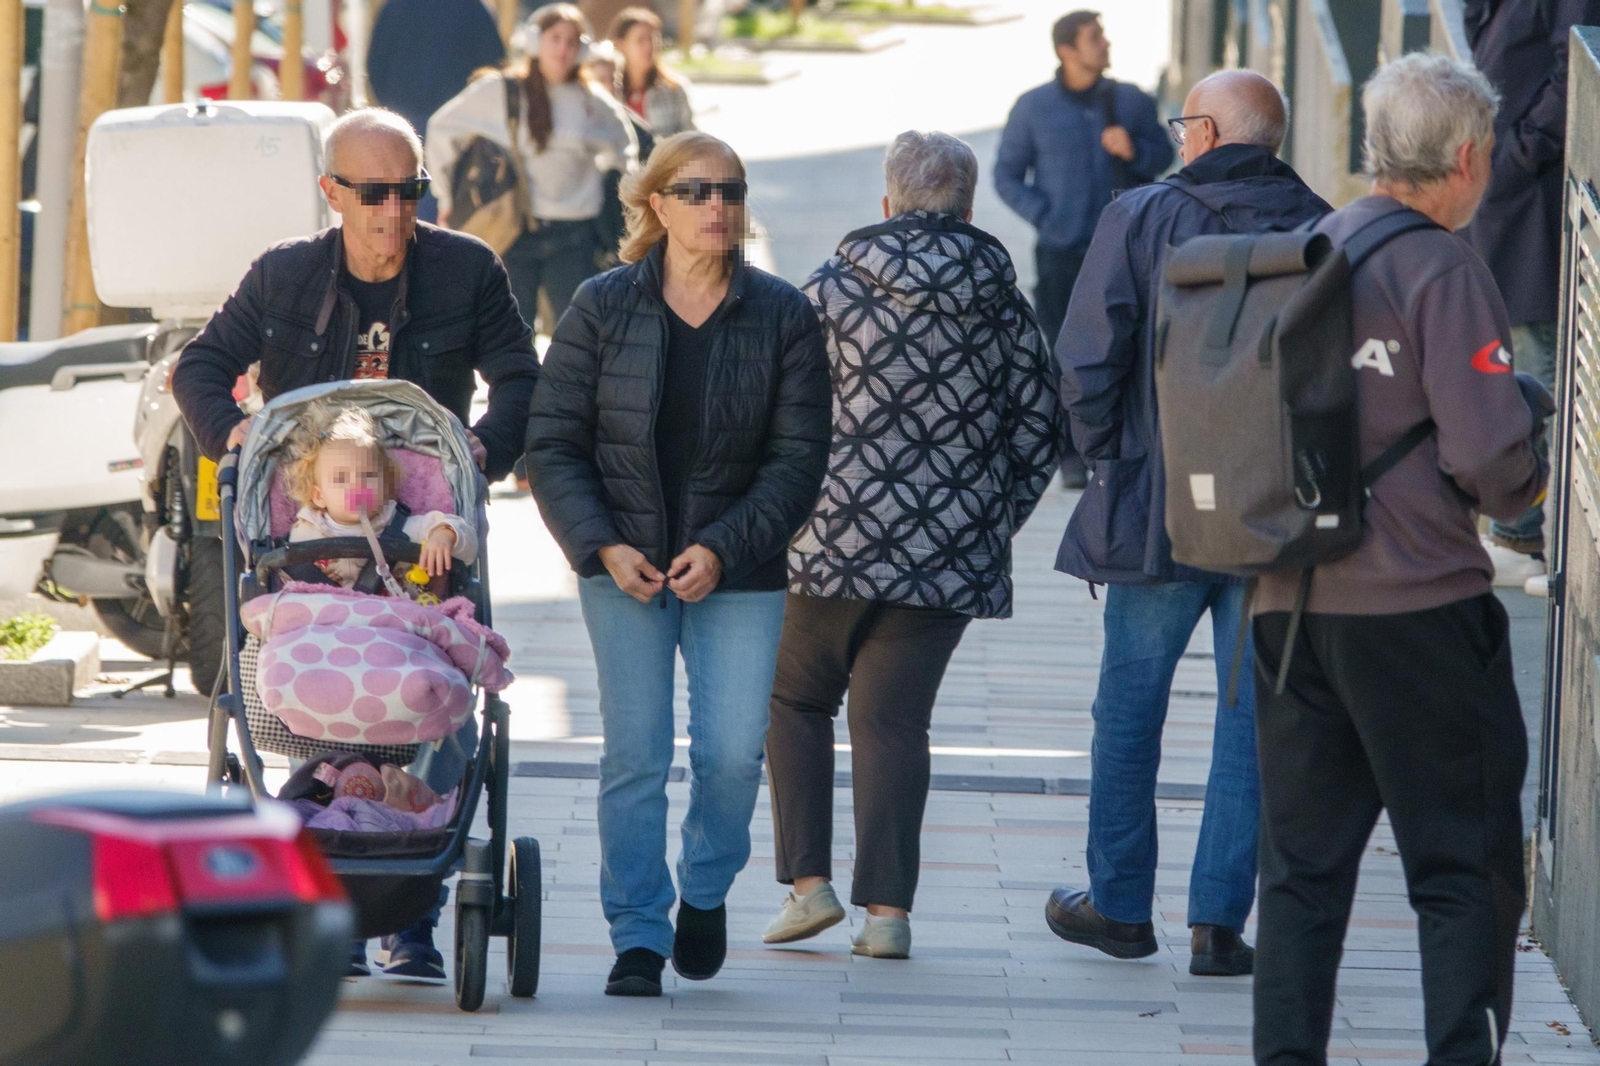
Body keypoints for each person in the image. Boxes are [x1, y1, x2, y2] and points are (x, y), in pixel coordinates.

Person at [171, 107, 538, 979]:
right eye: (373, 194)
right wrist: (237, 441)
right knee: (298, 704)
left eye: (409, 191)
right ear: (332, 193)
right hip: (305, 548)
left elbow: (521, 378)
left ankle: (414, 910)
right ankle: (323, 891)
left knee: (445, 691)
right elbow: (199, 366)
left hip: (418, 546)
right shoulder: (285, 275)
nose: (393, 211)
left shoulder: (466, 270)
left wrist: (481, 451)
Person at [1251, 53, 1547, 1065]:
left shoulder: (1309, 248)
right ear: (1467, 159)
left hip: (1288, 605)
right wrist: (1533, 481)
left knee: (1300, 875)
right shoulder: (1443, 269)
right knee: (1462, 869)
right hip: (1418, 611)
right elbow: (1489, 461)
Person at [525, 131, 830, 998]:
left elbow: (798, 461)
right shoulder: (601, 305)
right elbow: (553, 443)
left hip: (740, 569)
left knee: (732, 754)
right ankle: (636, 933)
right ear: (655, 204)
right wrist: (602, 545)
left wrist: (724, 547)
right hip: (622, 568)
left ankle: (703, 888)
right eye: (695, 192)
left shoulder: (783, 314)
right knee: (636, 754)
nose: (716, 207)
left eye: (729, 190)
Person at [1044, 70, 1329, 978]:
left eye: (1182, 123)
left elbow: (1086, 357)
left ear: (1204, 132)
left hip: (1158, 508)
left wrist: (1111, 460)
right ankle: (1218, 923)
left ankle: (1121, 907)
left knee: (1129, 709)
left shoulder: (1140, 214)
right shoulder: (1327, 226)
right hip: (1274, 517)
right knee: (1251, 720)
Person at [761, 131, 1062, 960]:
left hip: (827, 542)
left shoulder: (825, 291)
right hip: (948, 554)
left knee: (793, 699)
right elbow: (1040, 429)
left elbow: (771, 410)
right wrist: (985, 520)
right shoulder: (1004, 301)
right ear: (969, 207)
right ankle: (888, 916)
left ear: (887, 202)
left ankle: (809, 888)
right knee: (893, 723)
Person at [1460, 0, 1600, 589]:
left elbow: (1577, 62)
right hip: (1505, 189)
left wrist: (1520, 152)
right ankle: (1519, 534)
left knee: (1540, 365)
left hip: (1533, 189)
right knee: (1514, 360)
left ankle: (1533, 539)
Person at [427, 4, 637, 336]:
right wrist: (446, 195)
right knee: (512, 333)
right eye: (555, 38)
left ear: (583, 49)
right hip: (515, 231)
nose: (563, 49)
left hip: (575, 236)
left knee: (577, 335)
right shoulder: (501, 90)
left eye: (572, 41)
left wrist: (610, 194)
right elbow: (441, 128)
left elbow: (625, 152)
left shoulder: (593, 101)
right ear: (535, 41)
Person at [995, 10, 1172, 369]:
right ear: (1067, 51)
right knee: (1064, 356)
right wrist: (1047, 218)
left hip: (1125, 251)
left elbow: (1165, 156)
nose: (1106, 43)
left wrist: (1134, 151)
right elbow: (1006, 175)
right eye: (1094, 37)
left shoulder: (1132, 100)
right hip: (1061, 255)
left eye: (1103, 35)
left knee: (1128, 355)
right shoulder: (1033, 107)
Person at [283, 401, 477, 587]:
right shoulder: (305, 533)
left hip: (393, 608)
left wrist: (445, 535)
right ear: (319, 496)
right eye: (341, 479)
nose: (357, 485)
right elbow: (286, 581)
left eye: (368, 475)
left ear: (384, 485)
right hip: (325, 608)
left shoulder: (403, 527)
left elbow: (469, 545)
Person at [366, 0, 506, 223]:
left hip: (408, 115)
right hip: (460, 120)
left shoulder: (394, 7)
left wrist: (391, 105)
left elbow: (376, 63)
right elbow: (494, 62)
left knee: (408, 190)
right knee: (452, 195)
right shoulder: (473, 7)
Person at [610, 7, 696, 145]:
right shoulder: (609, 88)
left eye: (653, 39)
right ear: (621, 45)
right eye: (640, 40)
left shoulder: (673, 88)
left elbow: (691, 136)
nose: (649, 46)